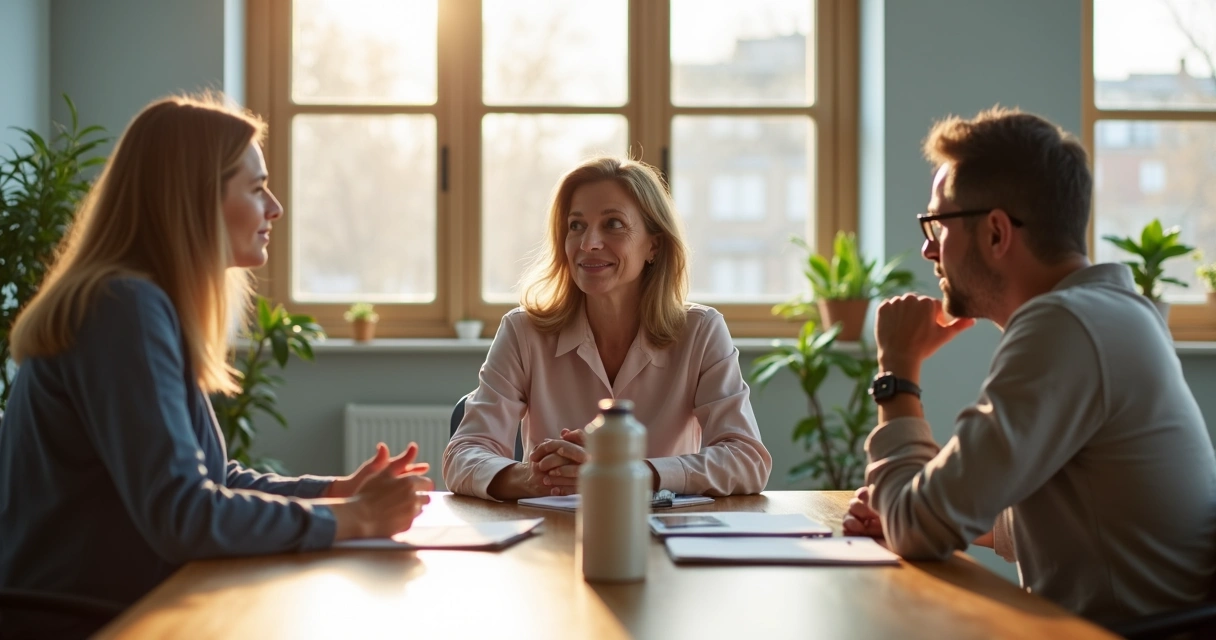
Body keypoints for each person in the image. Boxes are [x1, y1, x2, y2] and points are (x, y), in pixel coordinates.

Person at [0, 94, 433, 637]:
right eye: (256, 188)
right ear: (195, 200)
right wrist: (358, 516)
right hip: (84, 623)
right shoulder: (123, 309)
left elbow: (212, 479)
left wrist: (335, 491)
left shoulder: (138, 303)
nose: (274, 207)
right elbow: (183, 514)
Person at [841, 106, 1216, 622]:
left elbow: (915, 529)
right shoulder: (1114, 313)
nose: (929, 249)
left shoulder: (1065, 325)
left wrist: (897, 370)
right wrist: (917, 506)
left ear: (996, 233)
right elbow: (1090, 520)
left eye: (937, 224)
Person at [443, 156, 771, 500]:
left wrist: (630, 472)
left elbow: (747, 460)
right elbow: (462, 455)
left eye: (613, 224)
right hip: (552, 529)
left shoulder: (701, 332)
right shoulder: (523, 331)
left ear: (654, 245)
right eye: (576, 225)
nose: (588, 243)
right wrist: (534, 477)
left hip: (663, 529)